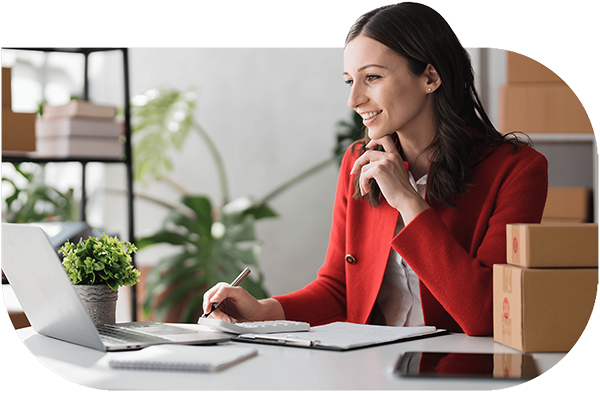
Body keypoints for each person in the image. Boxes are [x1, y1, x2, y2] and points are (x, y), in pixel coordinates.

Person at [202, 2, 548, 336]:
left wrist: (409, 201)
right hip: (368, 367)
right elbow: (339, 289)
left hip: (462, 371)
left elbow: (486, 314)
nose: (354, 101)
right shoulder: (359, 161)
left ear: (430, 77)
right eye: (349, 81)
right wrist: (264, 311)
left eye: (372, 78)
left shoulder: (517, 171)